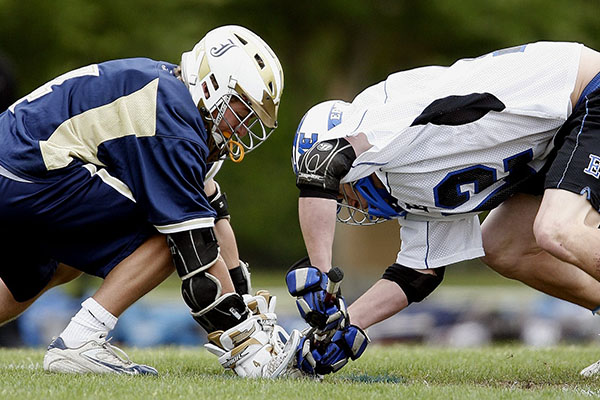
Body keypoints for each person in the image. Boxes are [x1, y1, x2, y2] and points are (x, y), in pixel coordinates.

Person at [0, 25, 300, 378]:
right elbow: (196, 246)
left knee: (51, 267)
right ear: (212, 83)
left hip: (22, 170)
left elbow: (214, 212)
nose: (245, 124)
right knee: (168, 232)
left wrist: (244, 300)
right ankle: (80, 341)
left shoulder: (173, 101)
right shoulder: (174, 119)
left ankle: (79, 337)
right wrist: (244, 339)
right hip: (28, 172)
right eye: (241, 106)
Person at [285, 41, 600, 376]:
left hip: (584, 92)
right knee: (500, 246)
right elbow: (417, 274)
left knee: (558, 229)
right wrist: (345, 328)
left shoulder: (381, 116)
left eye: (339, 192)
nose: (344, 201)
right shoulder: (403, 185)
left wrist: (320, 277)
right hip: (551, 141)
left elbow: (322, 165)